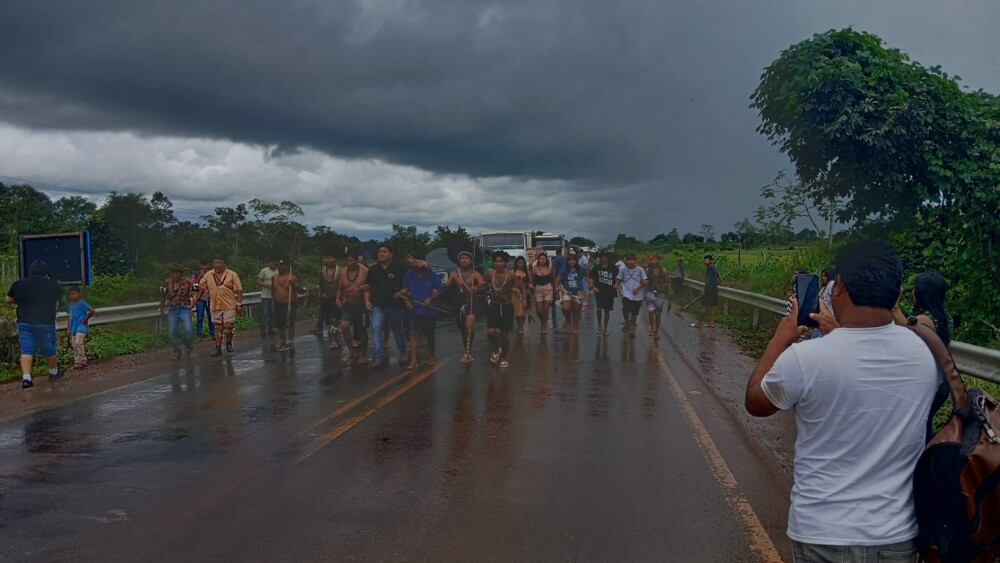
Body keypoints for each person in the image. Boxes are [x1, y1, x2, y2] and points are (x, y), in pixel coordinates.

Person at [744, 240, 936, 562]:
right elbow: (867, 361)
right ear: (898, 293)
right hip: (897, 537)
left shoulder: (805, 359)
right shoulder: (924, 354)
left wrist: (781, 337)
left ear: (839, 286)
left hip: (823, 532)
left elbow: (755, 401)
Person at [893, 270, 952, 441]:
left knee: (920, 430)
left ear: (920, 293)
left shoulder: (924, 319)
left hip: (930, 384)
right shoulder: (943, 315)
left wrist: (894, 307)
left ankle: (926, 461)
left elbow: (908, 336)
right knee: (924, 425)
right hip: (942, 381)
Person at [5, 260, 65, 389]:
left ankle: (26, 378)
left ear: (30, 272)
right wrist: (56, 308)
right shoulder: (53, 285)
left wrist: (21, 303)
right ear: (46, 274)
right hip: (46, 322)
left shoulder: (19, 284)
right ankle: (53, 373)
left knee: (27, 350)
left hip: (25, 321)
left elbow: (8, 299)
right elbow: (62, 301)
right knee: (49, 349)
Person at [367, 245, 408, 369]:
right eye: (379, 252)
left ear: (391, 254)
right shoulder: (373, 269)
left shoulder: (400, 267)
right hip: (378, 305)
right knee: (376, 328)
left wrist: (402, 293)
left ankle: (403, 353)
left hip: (395, 305)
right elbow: (368, 286)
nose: (381, 254)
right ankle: (379, 356)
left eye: (384, 252)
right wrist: (367, 300)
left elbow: (408, 283)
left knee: (397, 331)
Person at [193, 256, 243, 357]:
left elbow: (239, 290)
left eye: (220, 263)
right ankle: (218, 348)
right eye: (216, 263)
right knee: (218, 328)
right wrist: (195, 299)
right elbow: (202, 287)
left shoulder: (232, 274)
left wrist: (239, 304)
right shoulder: (209, 274)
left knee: (229, 325)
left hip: (229, 304)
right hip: (215, 305)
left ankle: (229, 342)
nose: (218, 265)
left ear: (224, 263)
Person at [400, 258, 443, 369]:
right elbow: (404, 289)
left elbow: (440, 289)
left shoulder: (431, 274)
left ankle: (431, 355)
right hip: (414, 309)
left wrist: (431, 298)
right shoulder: (409, 274)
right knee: (413, 333)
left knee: (430, 335)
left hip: (429, 310)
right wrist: (406, 300)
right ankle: (413, 360)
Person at [445, 250, 484, 363]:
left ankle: (467, 353)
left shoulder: (475, 274)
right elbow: (445, 288)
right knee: (464, 330)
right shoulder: (453, 274)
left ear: (471, 261)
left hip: (472, 303)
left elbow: (483, 285)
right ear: (459, 260)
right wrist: (433, 296)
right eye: (462, 258)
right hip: (459, 305)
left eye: (467, 258)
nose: (464, 260)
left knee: (469, 326)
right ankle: (467, 349)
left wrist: (478, 288)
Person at [485, 251, 522, 368]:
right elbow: (482, 283)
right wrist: (477, 287)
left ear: (505, 262)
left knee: (505, 334)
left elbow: (518, 284)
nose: (498, 263)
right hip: (494, 305)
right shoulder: (489, 273)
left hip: (506, 305)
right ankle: (496, 349)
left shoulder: (511, 274)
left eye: (500, 261)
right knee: (490, 331)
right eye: (496, 261)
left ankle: (504, 357)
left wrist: (515, 289)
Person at [337, 249, 370, 365]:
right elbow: (340, 287)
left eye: (351, 260)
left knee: (362, 330)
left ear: (357, 260)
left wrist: (367, 301)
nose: (349, 263)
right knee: (344, 326)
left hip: (361, 304)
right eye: (347, 260)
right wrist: (338, 298)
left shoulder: (365, 271)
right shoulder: (342, 272)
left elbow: (368, 288)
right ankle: (351, 349)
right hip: (348, 304)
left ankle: (363, 354)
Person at [160, 264, 194, 360]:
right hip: (173, 309)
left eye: (177, 273)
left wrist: (193, 303)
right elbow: (162, 296)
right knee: (171, 332)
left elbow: (198, 290)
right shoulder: (167, 283)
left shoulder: (187, 282)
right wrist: (162, 310)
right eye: (174, 273)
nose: (176, 275)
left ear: (181, 273)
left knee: (188, 330)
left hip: (184, 308)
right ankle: (176, 351)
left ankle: (188, 347)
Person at [272, 260, 304, 353]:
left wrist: (294, 285)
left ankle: (291, 342)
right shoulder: (274, 278)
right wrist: (273, 304)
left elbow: (301, 290)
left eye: (281, 266)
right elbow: (273, 291)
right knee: (279, 324)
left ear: (286, 267)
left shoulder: (292, 278)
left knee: (290, 323)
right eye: (278, 266)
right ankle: (283, 342)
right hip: (278, 304)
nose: (279, 268)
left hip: (290, 303)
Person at [314, 252, 342, 349]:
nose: (329, 260)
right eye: (327, 258)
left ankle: (335, 340)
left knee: (335, 319)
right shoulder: (322, 271)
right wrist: (321, 293)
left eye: (331, 258)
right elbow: (320, 283)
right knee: (329, 320)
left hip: (337, 297)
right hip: (326, 298)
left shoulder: (341, 271)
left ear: (335, 259)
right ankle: (333, 337)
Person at [615, 253, 647, 338]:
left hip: (638, 295)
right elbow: (618, 279)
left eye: (632, 260)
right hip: (626, 293)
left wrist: (638, 288)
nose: (630, 261)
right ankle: (626, 321)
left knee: (634, 313)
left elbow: (645, 281)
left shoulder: (640, 270)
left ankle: (632, 330)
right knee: (625, 309)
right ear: (626, 261)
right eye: (628, 259)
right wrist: (617, 285)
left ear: (635, 261)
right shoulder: (623, 270)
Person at [556, 253, 589, 334]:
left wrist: (590, 284)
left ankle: (575, 327)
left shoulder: (581, 269)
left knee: (577, 310)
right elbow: (557, 280)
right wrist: (556, 291)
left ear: (576, 261)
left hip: (578, 291)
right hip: (567, 291)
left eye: (573, 260)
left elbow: (588, 276)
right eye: (570, 260)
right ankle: (568, 320)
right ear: (567, 261)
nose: (571, 262)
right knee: (565, 308)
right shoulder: (564, 270)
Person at [589, 251, 618, 336]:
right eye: (602, 257)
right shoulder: (597, 267)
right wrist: (593, 287)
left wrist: (617, 284)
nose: (603, 259)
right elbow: (591, 277)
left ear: (608, 258)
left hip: (609, 291)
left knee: (607, 311)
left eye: (605, 257)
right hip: (599, 291)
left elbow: (619, 276)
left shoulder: (613, 267)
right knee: (599, 309)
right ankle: (599, 325)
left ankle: (605, 328)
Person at [66, 286, 94, 369]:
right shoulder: (70, 305)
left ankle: (83, 360)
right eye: (70, 294)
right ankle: (77, 361)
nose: (72, 296)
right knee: (74, 344)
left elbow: (91, 310)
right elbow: (70, 317)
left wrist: (85, 320)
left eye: (74, 294)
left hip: (81, 326)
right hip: (73, 327)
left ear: (78, 294)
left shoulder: (81, 303)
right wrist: (68, 327)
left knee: (78, 342)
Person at [528, 252, 555, 335]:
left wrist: (555, 291)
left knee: (546, 309)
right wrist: (531, 286)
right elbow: (531, 281)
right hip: (538, 289)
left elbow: (553, 280)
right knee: (539, 311)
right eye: (541, 259)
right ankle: (543, 321)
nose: (542, 260)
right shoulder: (534, 269)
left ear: (546, 260)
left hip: (548, 289)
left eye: (544, 259)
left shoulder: (550, 269)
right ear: (538, 260)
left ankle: (543, 326)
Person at [644, 254, 669, 339]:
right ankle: (652, 328)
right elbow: (644, 280)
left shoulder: (664, 271)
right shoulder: (647, 270)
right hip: (650, 292)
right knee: (651, 312)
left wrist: (669, 290)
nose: (653, 261)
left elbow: (668, 282)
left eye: (655, 260)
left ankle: (656, 331)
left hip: (660, 293)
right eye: (652, 260)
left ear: (658, 260)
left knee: (658, 314)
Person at [694, 255, 719, 328]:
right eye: (705, 260)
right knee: (713, 306)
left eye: (707, 260)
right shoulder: (714, 268)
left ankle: (699, 322)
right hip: (714, 289)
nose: (705, 262)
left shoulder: (709, 268)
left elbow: (707, 280)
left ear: (711, 261)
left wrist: (705, 289)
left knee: (704, 305)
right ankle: (712, 323)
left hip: (709, 290)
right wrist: (715, 283)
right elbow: (718, 277)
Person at [191, 261, 214, 339]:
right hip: (200, 298)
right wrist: (199, 277)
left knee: (211, 317)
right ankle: (199, 335)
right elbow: (193, 286)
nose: (203, 267)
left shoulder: (211, 274)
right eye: (202, 265)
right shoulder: (195, 274)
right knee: (200, 317)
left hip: (209, 298)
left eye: (205, 265)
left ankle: (213, 334)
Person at [257, 258, 279, 337]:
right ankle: (263, 329)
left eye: (274, 263)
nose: (272, 265)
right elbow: (259, 281)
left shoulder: (278, 271)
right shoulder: (264, 271)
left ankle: (271, 328)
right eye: (271, 263)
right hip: (266, 295)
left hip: (276, 296)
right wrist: (268, 286)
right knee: (265, 313)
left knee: (273, 313)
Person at [512, 256, 530, 335]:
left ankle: (521, 327)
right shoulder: (512, 272)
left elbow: (530, 282)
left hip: (525, 293)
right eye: (519, 263)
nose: (520, 264)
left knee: (523, 311)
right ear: (516, 263)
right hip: (514, 294)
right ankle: (519, 324)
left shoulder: (527, 272)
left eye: (522, 263)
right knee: (516, 312)